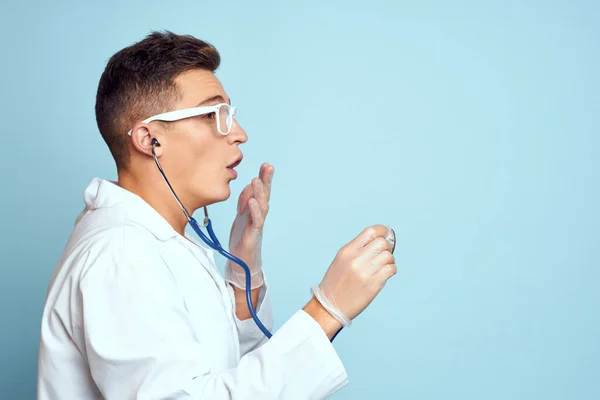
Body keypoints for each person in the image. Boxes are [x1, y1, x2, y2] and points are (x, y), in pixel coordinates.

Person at [36, 31, 397, 399]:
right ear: (149, 140)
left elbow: (221, 371)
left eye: (231, 114)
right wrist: (327, 308)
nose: (239, 133)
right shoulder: (122, 252)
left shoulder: (156, 241)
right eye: (214, 114)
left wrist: (245, 268)